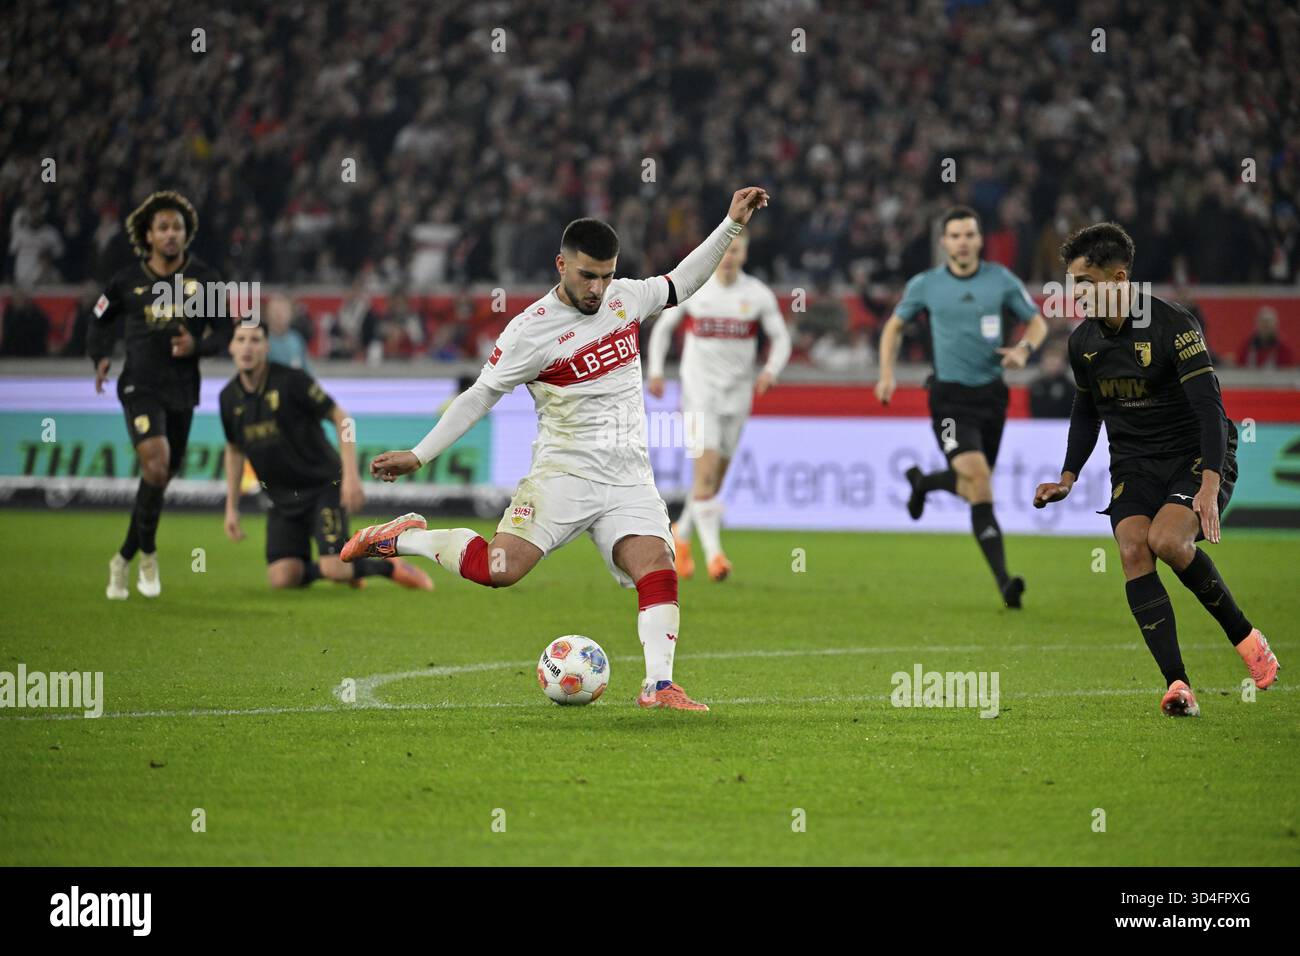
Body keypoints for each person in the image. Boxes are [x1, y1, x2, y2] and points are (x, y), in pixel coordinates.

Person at [342, 186, 771, 712]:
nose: (598, 287)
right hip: (562, 475)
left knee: (656, 564)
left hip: (627, 476)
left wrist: (730, 224)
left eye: (607, 274)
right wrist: (419, 455)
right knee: (499, 570)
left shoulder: (625, 300)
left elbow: (683, 281)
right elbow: (479, 397)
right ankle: (406, 537)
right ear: (561, 265)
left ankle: (659, 686)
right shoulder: (529, 333)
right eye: (587, 275)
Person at [1034, 222, 1278, 717]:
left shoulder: (1173, 325)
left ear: (1119, 279)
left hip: (1193, 454)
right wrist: (1068, 477)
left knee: (1168, 541)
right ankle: (1177, 684)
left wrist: (1209, 485)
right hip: (1134, 462)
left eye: (1084, 284)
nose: (1074, 295)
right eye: (1070, 284)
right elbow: (1086, 412)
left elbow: (1210, 409)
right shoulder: (1082, 343)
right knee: (1132, 548)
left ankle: (1247, 637)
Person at [876, 206, 1049, 608]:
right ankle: (1006, 582)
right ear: (944, 242)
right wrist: (886, 374)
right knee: (978, 478)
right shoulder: (926, 285)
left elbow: (1037, 321)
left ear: (979, 239)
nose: (963, 242)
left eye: (969, 234)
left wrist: (1024, 350)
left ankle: (922, 483)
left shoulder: (1001, 281)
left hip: (991, 396)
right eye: (955, 236)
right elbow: (894, 326)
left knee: (975, 484)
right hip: (948, 399)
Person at [88, 191, 230, 600]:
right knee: (156, 462)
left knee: (160, 476)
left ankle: (123, 558)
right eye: (163, 228)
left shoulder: (205, 279)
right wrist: (99, 355)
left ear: (186, 235)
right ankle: (148, 553)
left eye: (178, 228)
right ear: (148, 235)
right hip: (139, 386)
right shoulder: (125, 281)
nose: (171, 235)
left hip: (182, 390)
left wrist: (197, 347)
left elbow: (223, 332)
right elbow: (98, 317)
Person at [220, 322, 431, 592]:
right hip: (281, 498)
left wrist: (351, 477)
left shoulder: (291, 381)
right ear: (231, 346)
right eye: (241, 339)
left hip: (323, 488)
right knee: (282, 578)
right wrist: (231, 508)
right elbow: (235, 450)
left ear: (266, 346)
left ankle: (388, 566)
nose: (247, 346)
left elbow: (342, 419)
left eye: (255, 339)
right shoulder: (228, 398)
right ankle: (348, 570)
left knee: (335, 567)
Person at [646, 231, 792, 581]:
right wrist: (654, 370)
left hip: (738, 395)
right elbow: (664, 328)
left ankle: (681, 535)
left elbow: (782, 338)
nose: (728, 257)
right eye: (724, 251)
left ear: (744, 254)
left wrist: (771, 371)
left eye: (736, 251)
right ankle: (715, 556)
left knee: (713, 481)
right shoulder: (696, 289)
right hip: (699, 393)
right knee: (706, 468)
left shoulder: (756, 294)